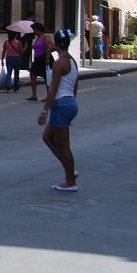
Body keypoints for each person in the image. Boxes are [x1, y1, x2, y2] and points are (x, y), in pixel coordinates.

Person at [39, 29, 80, 192]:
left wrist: (44, 111)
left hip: (61, 104)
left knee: (64, 146)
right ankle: (70, 171)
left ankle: (70, 180)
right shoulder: (72, 61)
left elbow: (53, 88)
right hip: (69, 102)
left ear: (56, 44)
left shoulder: (59, 63)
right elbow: (75, 85)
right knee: (48, 137)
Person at [26, 22, 49, 101]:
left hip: (43, 58)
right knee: (32, 75)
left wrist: (47, 58)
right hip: (37, 59)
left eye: (34, 30)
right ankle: (34, 94)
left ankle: (49, 94)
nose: (34, 31)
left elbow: (50, 47)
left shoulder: (45, 37)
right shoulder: (38, 38)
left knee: (46, 77)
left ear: (38, 29)